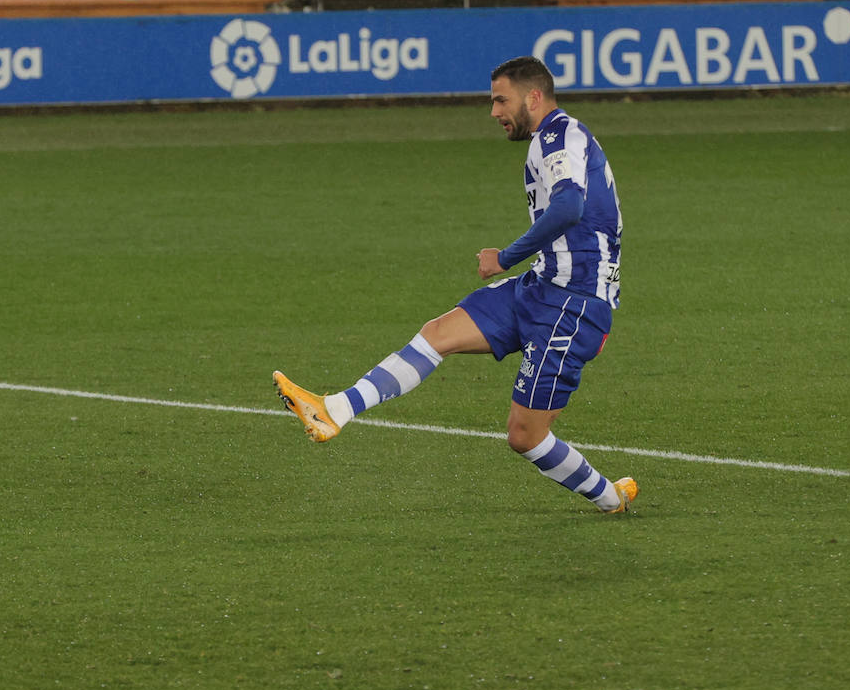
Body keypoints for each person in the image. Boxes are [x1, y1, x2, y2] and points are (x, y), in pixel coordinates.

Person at [273, 56, 637, 514]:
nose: (494, 112)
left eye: (500, 100)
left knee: (524, 437)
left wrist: (504, 257)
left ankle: (610, 498)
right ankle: (334, 409)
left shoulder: (560, 135)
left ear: (534, 97)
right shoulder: (550, 140)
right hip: (543, 287)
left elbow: (569, 208)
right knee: (437, 334)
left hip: (575, 304)